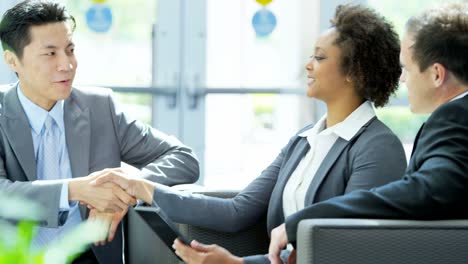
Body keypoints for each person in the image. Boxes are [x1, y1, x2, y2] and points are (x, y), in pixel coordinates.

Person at [92, 4, 408, 264]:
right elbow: (237, 211)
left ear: (355, 73)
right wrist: (143, 188)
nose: (308, 66)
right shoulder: (304, 140)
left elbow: (344, 247)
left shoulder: (378, 147)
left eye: (320, 57)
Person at [0, 1, 199, 263]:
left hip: (91, 256)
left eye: (70, 50)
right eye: (50, 54)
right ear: (13, 60)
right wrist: (75, 190)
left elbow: (183, 158)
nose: (67, 65)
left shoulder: (99, 108)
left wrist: (125, 192)